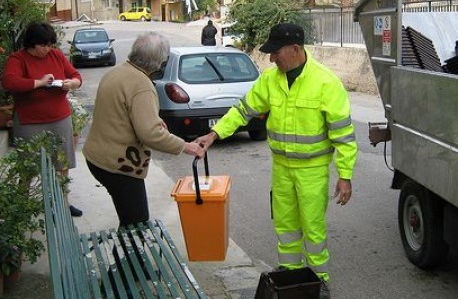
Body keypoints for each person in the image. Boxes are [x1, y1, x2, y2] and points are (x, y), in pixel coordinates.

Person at [195, 23, 358, 299]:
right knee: (285, 227)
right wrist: (214, 134)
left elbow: (343, 135)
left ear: (295, 49)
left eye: (275, 53)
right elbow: (243, 110)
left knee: (313, 229)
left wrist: (345, 175)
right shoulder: (271, 80)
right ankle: (290, 274)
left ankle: (319, 281)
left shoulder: (326, 82)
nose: (271, 59)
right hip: (281, 168)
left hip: (312, 170)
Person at [83, 32, 205, 227]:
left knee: (130, 219)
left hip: (98, 157)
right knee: (136, 224)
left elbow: (121, 114)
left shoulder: (117, 72)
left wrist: (153, 120)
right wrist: (186, 146)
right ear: (158, 63)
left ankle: (124, 255)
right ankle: (127, 257)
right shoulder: (141, 85)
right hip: (118, 165)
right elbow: (150, 134)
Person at [2, 21, 84, 217]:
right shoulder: (18, 59)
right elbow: (9, 81)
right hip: (30, 121)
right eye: (43, 45)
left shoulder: (55, 55)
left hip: (59, 118)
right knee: (27, 167)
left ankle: (63, 204)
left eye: (50, 45)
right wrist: (38, 83)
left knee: (62, 165)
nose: (47, 49)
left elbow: (76, 76)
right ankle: (23, 206)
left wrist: (70, 83)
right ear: (31, 43)